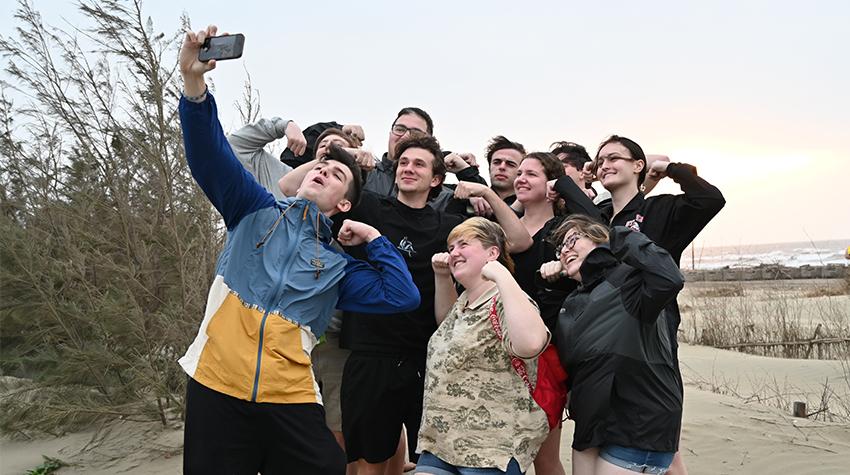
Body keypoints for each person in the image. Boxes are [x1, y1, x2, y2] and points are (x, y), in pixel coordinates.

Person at [176, 26, 421, 475]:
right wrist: (195, 87)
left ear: (343, 205)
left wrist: (374, 239)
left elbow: (401, 296)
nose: (324, 171)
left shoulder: (337, 265)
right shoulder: (253, 209)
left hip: (288, 394)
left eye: (336, 175)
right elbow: (209, 154)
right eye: (321, 165)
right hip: (217, 382)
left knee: (328, 466)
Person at [539, 215, 684, 474]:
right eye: (561, 248)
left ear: (599, 238)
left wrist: (617, 235)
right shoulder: (572, 302)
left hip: (637, 423)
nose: (565, 250)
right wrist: (551, 284)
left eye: (573, 239)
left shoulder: (628, 280)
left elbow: (669, 278)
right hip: (591, 426)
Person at [416, 217, 549, 474]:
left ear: (492, 252)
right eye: (451, 246)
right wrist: (442, 276)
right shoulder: (464, 301)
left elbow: (531, 344)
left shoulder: (506, 298)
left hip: (490, 448)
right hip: (441, 441)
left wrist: (500, 273)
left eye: (463, 244)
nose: (454, 252)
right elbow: (447, 328)